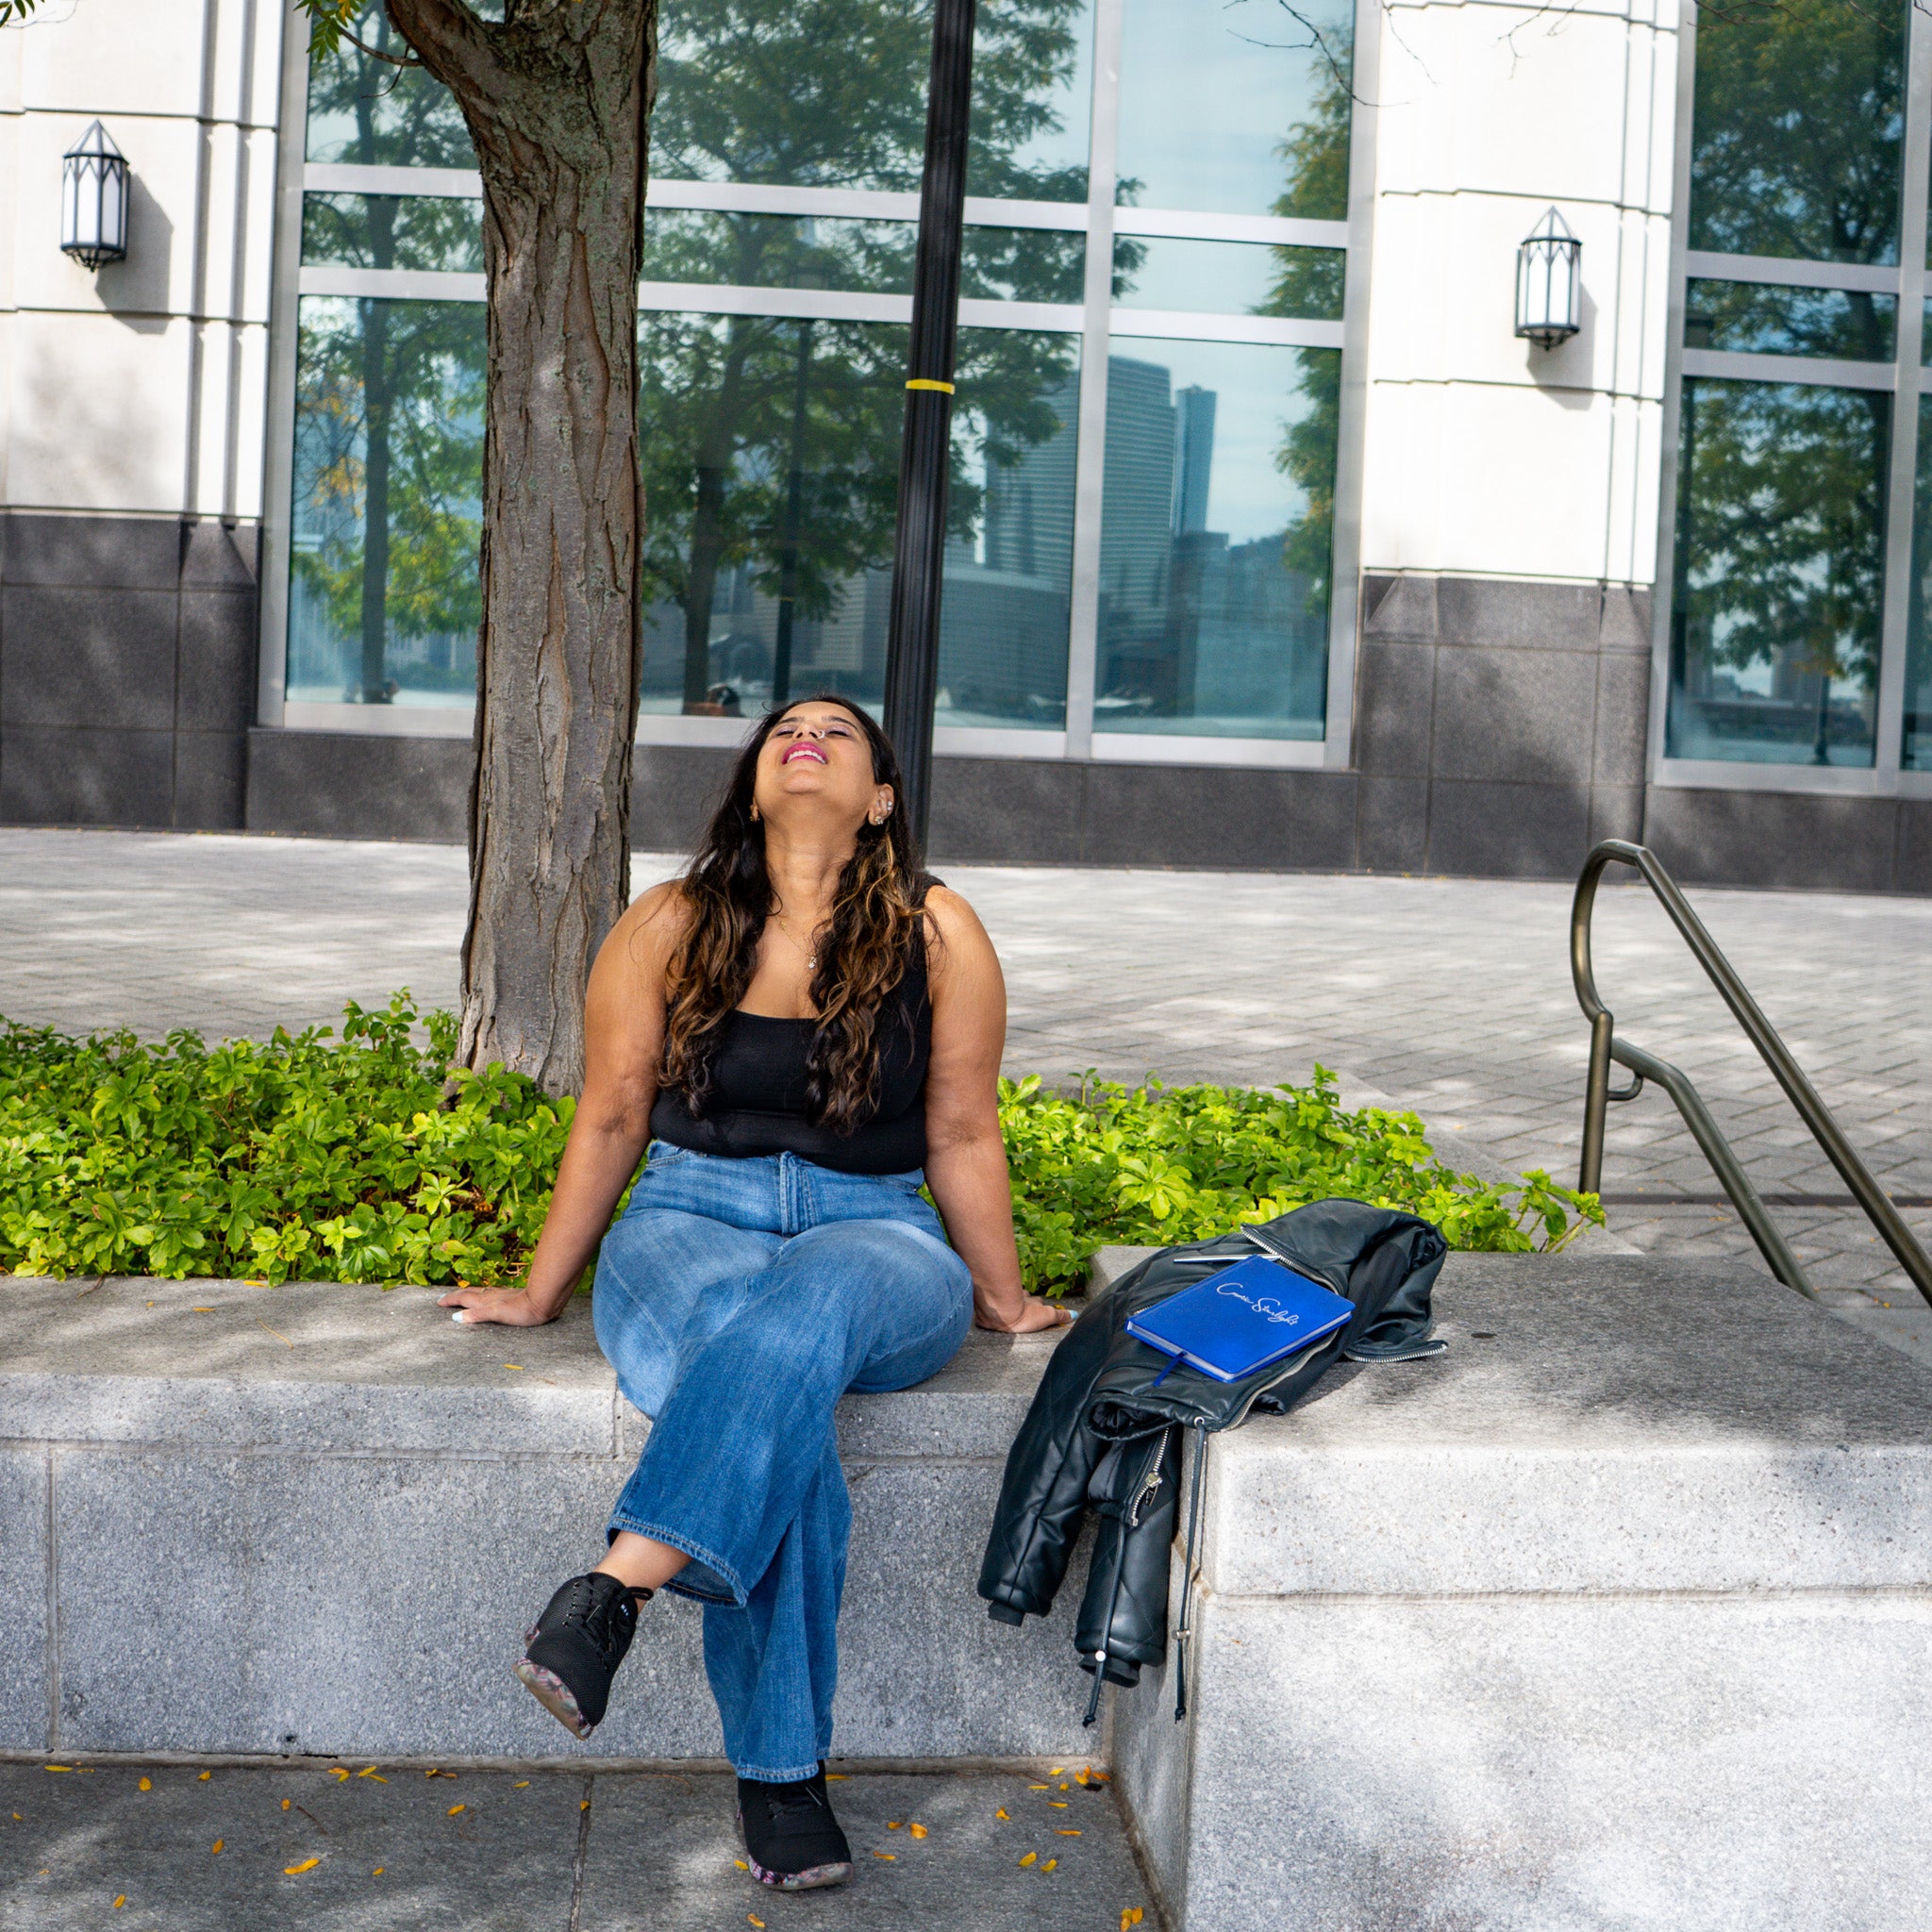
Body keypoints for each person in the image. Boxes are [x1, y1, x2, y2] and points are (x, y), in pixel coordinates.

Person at [439, 694, 1070, 1892]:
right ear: (750, 784)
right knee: (782, 1412)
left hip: (875, 1232)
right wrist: (539, 1289)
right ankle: (782, 1776)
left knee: (806, 1301)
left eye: (837, 730)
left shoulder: (935, 928)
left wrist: (1000, 1293)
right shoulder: (669, 921)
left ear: (880, 795)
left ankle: (613, 1586)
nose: (805, 736)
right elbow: (613, 1113)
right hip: (686, 1218)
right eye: (784, 729)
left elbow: (959, 1125)